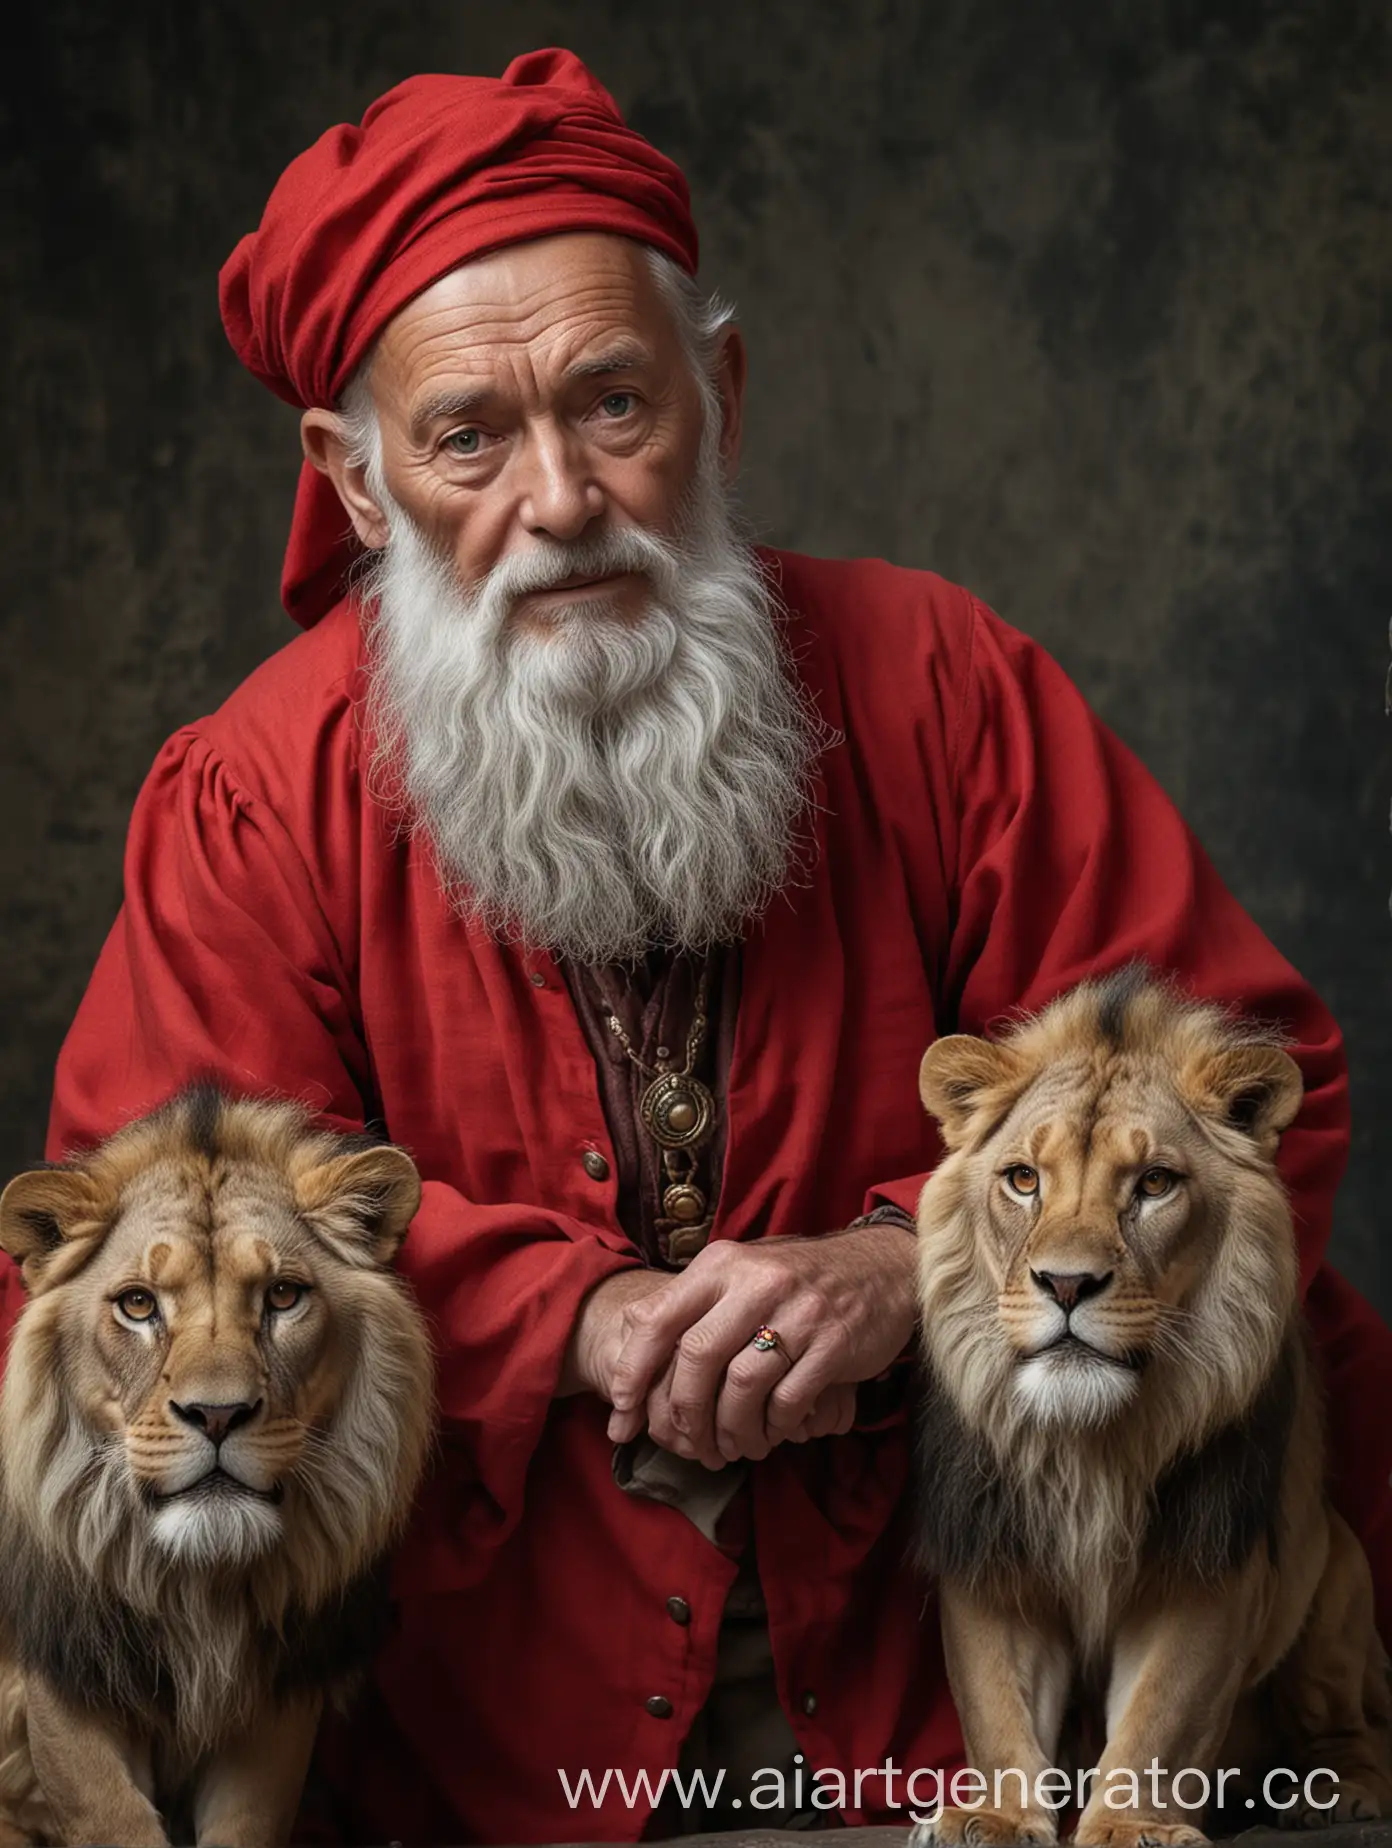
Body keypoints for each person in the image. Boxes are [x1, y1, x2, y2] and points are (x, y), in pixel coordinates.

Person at [3, 46, 1389, 1846]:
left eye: (615, 406)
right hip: (473, 1730)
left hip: (970, 1691)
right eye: (468, 438)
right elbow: (135, 1265)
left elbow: (1264, 1088)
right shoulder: (253, 801)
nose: (562, 499)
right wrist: (567, 1314)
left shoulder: (943, 684)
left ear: (717, 395)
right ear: (357, 485)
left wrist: (906, 1266)